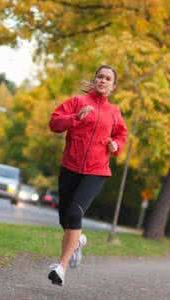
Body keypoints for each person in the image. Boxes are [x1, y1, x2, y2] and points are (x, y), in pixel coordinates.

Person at [47, 65, 128, 286]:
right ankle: (78, 241)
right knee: (65, 219)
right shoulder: (77, 102)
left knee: (75, 214)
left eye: (107, 78)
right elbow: (54, 123)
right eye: (99, 76)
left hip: (97, 171)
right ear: (95, 80)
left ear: (113, 86)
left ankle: (61, 267)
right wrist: (75, 118)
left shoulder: (114, 112)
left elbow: (121, 135)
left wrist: (116, 145)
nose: (103, 80)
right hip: (70, 167)